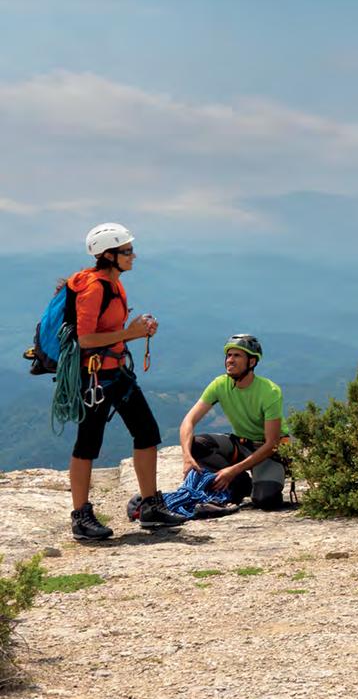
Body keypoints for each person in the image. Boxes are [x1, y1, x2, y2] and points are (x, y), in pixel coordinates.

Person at [69, 223, 187, 540]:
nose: (133, 255)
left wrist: (138, 330)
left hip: (116, 372)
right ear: (109, 255)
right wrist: (130, 333)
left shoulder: (115, 284)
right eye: (127, 251)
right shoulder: (95, 288)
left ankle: (150, 505)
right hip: (94, 376)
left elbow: (110, 334)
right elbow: (85, 339)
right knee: (88, 444)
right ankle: (81, 516)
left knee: (147, 431)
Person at [178, 334, 287, 510]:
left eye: (237, 356)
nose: (230, 360)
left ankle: (250, 482)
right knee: (197, 444)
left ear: (251, 362)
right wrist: (187, 457)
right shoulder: (220, 384)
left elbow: (272, 443)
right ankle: (241, 484)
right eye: (228, 355)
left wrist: (232, 470)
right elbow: (188, 421)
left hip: (267, 451)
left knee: (266, 500)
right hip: (241, 444)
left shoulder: (270, 392)